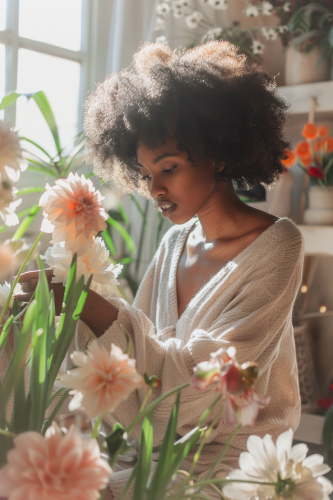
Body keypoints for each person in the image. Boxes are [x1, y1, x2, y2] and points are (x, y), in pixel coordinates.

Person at [17, 41, 304, 499]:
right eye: (147, 173)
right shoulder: (175, 242)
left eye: (169, 167)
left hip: (232, 461)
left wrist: (86, 302)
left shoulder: (278, 246)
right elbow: (139, 364)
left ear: (220, 153)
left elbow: (209, 384)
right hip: (153, 448)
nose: (156, 188)